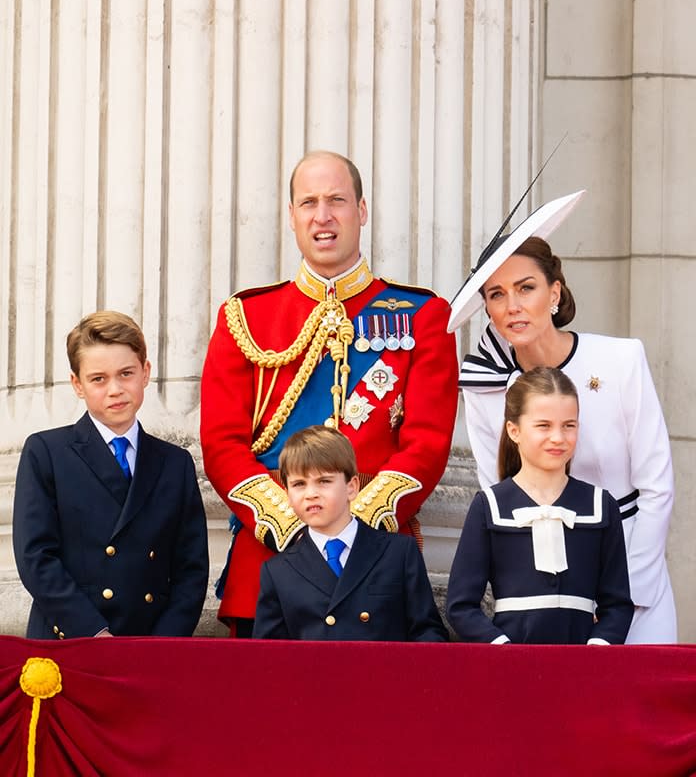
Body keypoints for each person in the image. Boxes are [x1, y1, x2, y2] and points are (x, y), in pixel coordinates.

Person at [200, 150, 459, 636]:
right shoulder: (245, 317)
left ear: (361, 211)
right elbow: (221, 444)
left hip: (377, 566)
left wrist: (350, 527)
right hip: (271, 560)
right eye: (309, 202)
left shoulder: (424, 315)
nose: (323, 216)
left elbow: (426, 444)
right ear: (292, 217)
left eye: (337, 200)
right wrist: (295, 524)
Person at [455, 236, 676, 643]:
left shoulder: (621, 360)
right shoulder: (483, 386)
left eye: (526, 288)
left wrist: (630, 594)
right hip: (544, 585)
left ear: (554, 291)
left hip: (629, 560)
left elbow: (657, 487)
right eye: (497, 294)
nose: (513, 306)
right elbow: (497, 489)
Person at [13, 311, 209, 639]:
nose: (115, 389)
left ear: (145, 373)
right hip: (71, 641)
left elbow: (191, 569)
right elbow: (36, 558)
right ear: (77, 384)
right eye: (98, 379)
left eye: (126, 374)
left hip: (149, 647)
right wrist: (94, 633)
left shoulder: (175, 463)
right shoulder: (46, 452)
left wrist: (160, 645)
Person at [447, 367, 633, 644]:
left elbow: (617, 604)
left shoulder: (601, 505)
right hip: (509, 668)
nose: (558, 437)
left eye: (569, 425)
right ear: (514, 430)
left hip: (583, 668)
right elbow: (460, 606)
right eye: (544, 426)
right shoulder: (489, 505)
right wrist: (502, 648)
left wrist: (598, 648)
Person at [253, 426, 448, 641]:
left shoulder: (399, 553)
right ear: (287, 494)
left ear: (351, 487)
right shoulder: (278, 571)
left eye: (324, 481)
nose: (311, 494)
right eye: (299, 484)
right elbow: (269, 657)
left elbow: (428, 634)